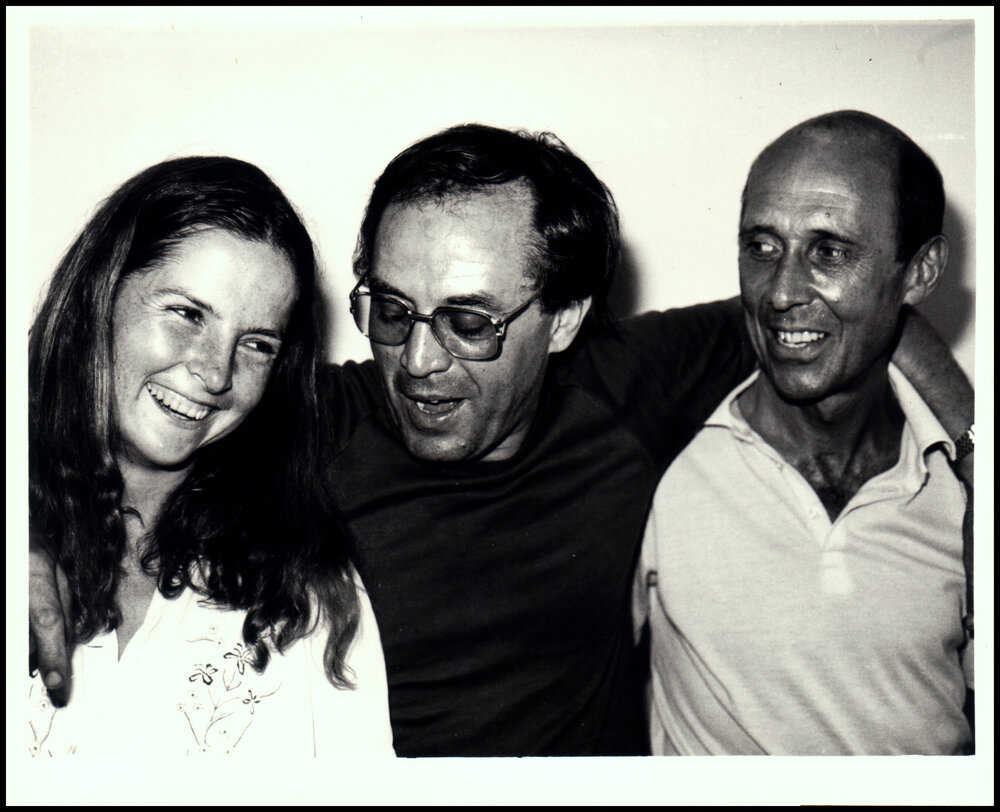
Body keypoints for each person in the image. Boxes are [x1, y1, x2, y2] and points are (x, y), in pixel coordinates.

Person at [31, 125, 974, 757]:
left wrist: (970, 451)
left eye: (472, 322)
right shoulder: (300, 422)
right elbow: (123, 422)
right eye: (392, 311)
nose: (419, 362)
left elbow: (834, 311)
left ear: (562, 319)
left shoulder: (621, 388)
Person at [27, 157, 393, 757]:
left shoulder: (311, 596)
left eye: (256, 344)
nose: (216, 373)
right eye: (188, 313)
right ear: (101, 295)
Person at [634, 110, 975, 755]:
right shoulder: (666, 462)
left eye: (830, 252)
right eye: (761, 247)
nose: (781, 292)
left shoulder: (965, 485)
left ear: (920, 272)